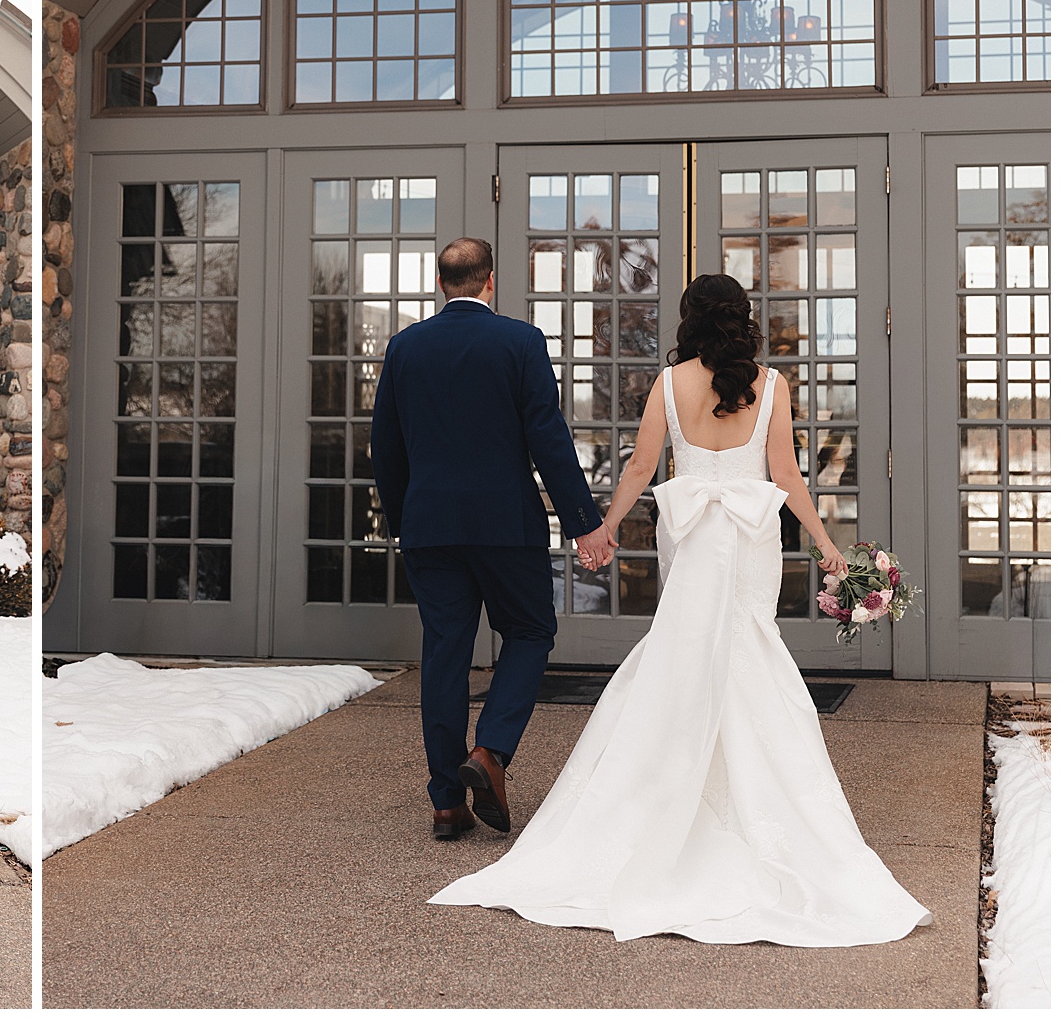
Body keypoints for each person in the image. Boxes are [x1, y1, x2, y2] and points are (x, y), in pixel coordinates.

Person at [430, 273, 933, 944]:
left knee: (685, 648)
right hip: (749, 537)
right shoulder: (774, 385)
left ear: (688, 319)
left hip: (695, 536)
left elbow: (640, 467)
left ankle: (658, 813)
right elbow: (785, 477)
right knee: (747, 648)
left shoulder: (669, 384)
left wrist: (602, 528)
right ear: (744, 320)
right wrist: (826, 547)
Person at [371, 237, 614, 840]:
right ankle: (491, 752)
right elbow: (548, 440)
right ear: (490, 282)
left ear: (441, 283)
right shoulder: (521, 341)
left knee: (445, 653)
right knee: (530, 632)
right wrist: (585, 522)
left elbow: (386, 449)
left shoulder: (405, 348)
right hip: (506, 526)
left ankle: (447, 804)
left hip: (431, 529)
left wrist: (407, 524)